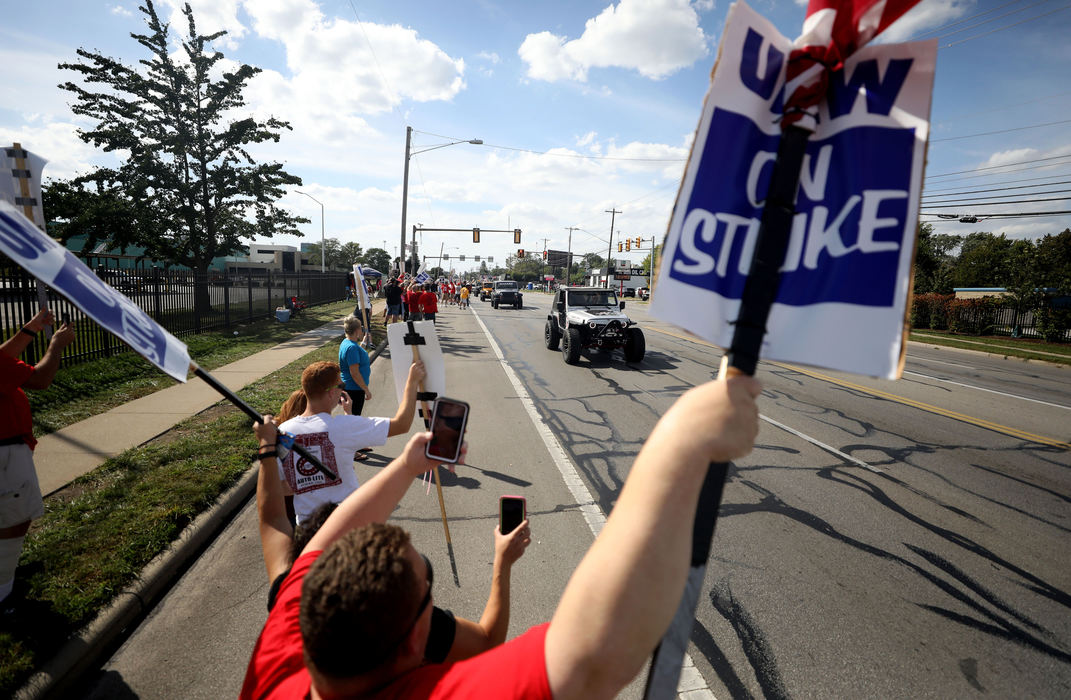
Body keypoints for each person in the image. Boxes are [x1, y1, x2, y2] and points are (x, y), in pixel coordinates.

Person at [240, 375, 760, 699]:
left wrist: (405, 464)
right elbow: (590, 662)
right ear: (416, 645)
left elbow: (305, 536)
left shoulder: (283, 654)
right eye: (429, 586)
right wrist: (684, 436)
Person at [252, 417, 531, 665]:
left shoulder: (292, 616)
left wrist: (407, 466)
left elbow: (273, 520)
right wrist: (503, 562)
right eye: (425, 578)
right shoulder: (402, 623)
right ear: (415, 641)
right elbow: (487, 640)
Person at [277, 360, 426, 524]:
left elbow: (278, 486)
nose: (343, 389)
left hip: (308, 531)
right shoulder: (344, 427)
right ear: (332, 393)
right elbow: (402, 424)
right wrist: (411, 382)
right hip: (347, 523)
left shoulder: (283, 432)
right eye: (341, 386)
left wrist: (310, 484)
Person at [0, 309, 75, 605]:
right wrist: (55, 346)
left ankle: (8, 567)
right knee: (13, 519)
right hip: (5, 453)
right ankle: (4, 593)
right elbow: (40, 379)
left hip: (8, 448)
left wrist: (30, 329)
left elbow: (2, 358)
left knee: (11, 515)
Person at [339, 315, 372, 416]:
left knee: (350, 416)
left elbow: (355, 355)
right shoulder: (352, 348)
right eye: (361, 328)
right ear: (357, 330)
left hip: (351, 388)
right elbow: (355, 373)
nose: (362, 330)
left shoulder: (347, 342)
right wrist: (366, 389)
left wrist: (363, 343)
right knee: (353, 418)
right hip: (354, 389)